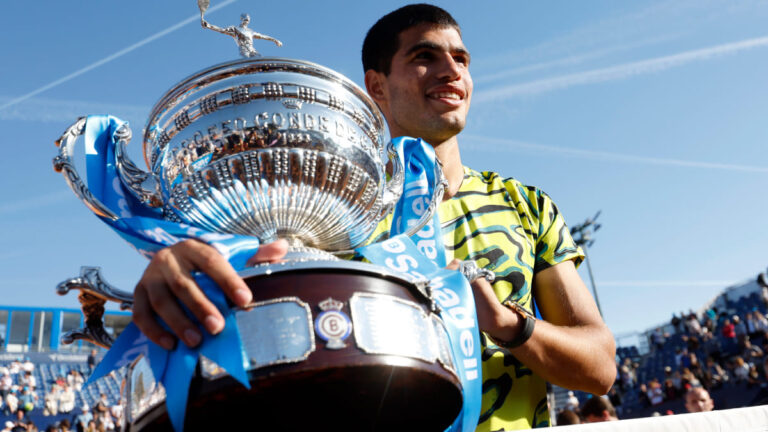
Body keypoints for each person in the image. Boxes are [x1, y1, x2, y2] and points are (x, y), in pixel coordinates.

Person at [132, 3, 615, 430]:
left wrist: (509, 325)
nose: (450, 70)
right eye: (424, 56)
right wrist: (187, 273)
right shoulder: (325, 212)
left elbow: (600, 368)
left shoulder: (526, 204)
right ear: (376, 85)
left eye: (461, 59)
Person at [201, 13, 282, 58]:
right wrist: (209, 26)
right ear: (242, 19)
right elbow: (222, 30)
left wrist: (274, 40)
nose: (247, 21)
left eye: (248, 20)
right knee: (248, 65)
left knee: (260, 63)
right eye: (245, 19)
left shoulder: (250, 31)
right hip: (244, 49)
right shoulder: (235, 29)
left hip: (252, 49)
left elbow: (263, 36)